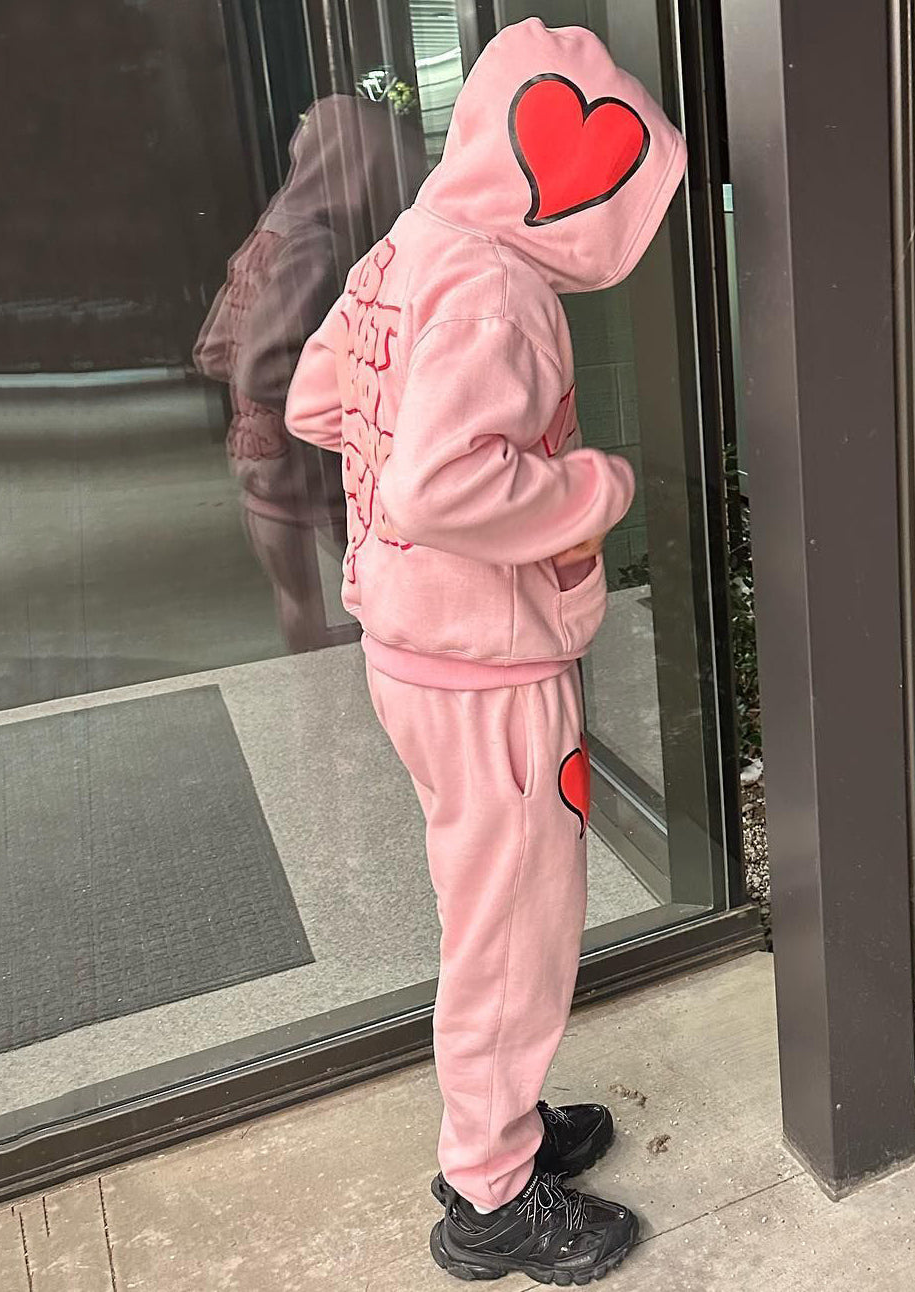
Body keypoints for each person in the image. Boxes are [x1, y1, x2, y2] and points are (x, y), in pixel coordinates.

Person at [287, 19, 685, 1283]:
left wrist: (406, 444)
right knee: (513, 934)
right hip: (488, 672)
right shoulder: (496, 286)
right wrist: (590, 489)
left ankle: (495, 1126)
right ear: (567, 184)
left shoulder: (407, 248)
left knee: (487, 913)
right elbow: (443, 483)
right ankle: (491, 1193)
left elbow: (315, 399)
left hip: (414, 653)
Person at [195, 93, 425, 651]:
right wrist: (363, 382)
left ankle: (319, 700)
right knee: (352, 614)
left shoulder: (271, 232)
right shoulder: (318, 245)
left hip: (259, 466)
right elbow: (263, 369)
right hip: (307, 476)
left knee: (299, 608)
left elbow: (213, 350)